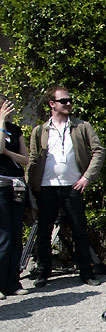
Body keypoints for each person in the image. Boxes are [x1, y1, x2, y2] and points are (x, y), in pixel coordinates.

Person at [28, 86, 105, 288]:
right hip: (46, 187)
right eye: (64, 100)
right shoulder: (39, 131)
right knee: (44, 232)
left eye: (70, 100)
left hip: (73, 187)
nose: (69, 103)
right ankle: (43, 272)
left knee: (80, 231)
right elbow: (33, 159)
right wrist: (30, 187)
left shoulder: (81, 127)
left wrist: (87, 177)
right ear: (52, 104)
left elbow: (99, 151)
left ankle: (86, 272)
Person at [0, 96, 29, 299]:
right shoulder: (2, 127)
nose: (8, 109)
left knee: (16, 235)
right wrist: (1, 122)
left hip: (16, 184)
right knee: (4, 236)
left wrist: (8, 154)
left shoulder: (16, 130)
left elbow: (25, 159)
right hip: (0, 185)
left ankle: (13, 282)